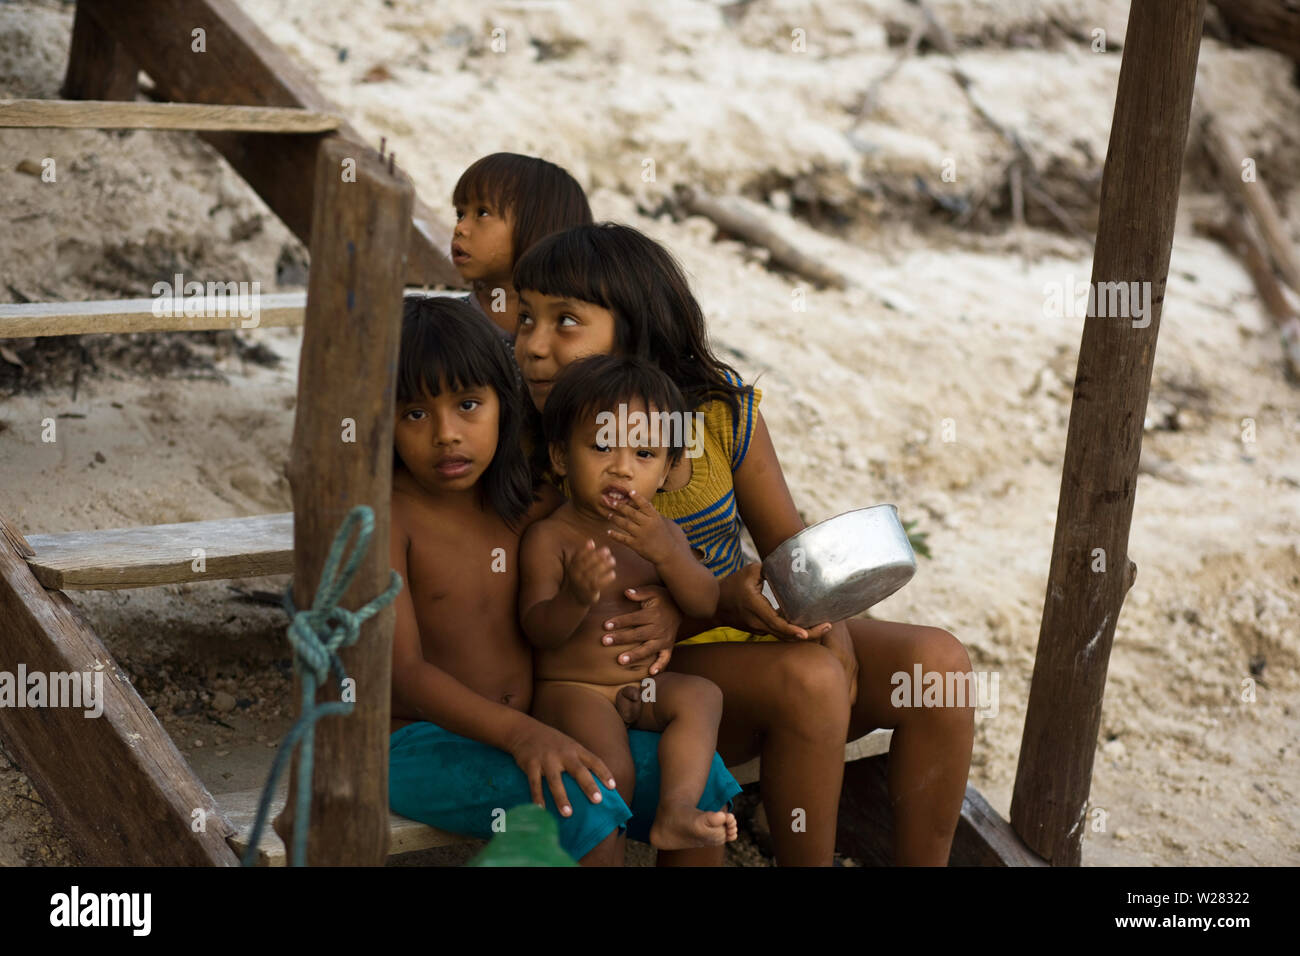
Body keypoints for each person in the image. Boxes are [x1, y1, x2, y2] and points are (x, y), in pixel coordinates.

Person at [513, 222, 976, 866]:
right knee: (810, 680)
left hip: (736, 631)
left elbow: (790, 556)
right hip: (650, 677)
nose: (531, 346)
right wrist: (687, 605)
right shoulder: (548, 448)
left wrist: (831, 626)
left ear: (637, 327)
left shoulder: (722, 419)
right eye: (524, 320)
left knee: (937, 665)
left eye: (564, 321)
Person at [386, 294, 737, 865]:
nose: (447, 434)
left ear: (506, 405)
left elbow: (663, 575)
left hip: (532, 727)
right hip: (415, 743)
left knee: (703, 782)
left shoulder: (529, 505)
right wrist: (524, 735)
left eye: (469, 404)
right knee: (584, 793)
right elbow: (405, 672)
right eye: (415, 414)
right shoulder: (393, 519)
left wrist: (671, 599)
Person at [519, 354, 739, 851]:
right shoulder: (551, 538)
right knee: (612, 771)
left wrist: (671, 555)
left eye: (644, 454)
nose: (621, 467)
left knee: (703, 695)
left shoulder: (664, 535)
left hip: (641, 691)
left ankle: (677, 809)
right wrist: (575, 597)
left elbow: (704, 602)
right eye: (601, 447)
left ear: (667, 471)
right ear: (560, 458)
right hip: (573, 690)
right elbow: (537, 628)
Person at [450, 153, 592, 340]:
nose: (459, 228)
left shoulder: (579, 336)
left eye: (482, 213)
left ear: (539, 224)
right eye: (460, 214)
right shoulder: (446, 325)